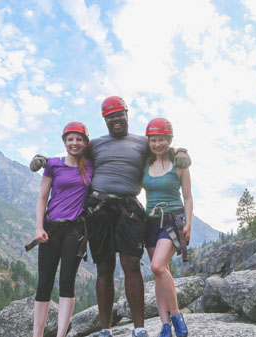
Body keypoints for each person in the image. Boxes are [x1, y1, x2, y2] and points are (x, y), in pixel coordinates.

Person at [31, 96, 191, 337]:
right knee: (104, 266)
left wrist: (181, 152)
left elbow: (162, 146)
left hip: (129, 209)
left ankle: (139, 328)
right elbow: (71, 152)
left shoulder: (141, 142)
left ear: (127, 114)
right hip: (99, 209)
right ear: (104, 119)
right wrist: (45, 160)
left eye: (119, 114)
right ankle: (105, 329)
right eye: (110, 116)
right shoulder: (95, 144)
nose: (116, 119)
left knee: (130, 266)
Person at [32, 122, 93, 337]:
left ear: (85, 142)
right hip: (51, 228)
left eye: (79, 139)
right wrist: (39, 227)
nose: (74, 143)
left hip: (75, 231)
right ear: (64, 141)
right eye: (70, 139)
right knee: (44, 282)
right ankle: (36, 334)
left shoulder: (91, 166)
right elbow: (42, 197)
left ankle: (61, 335)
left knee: (67, 282)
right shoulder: (53, 165)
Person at [142, 118, 191, 337]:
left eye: (161, 139)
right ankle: (164, 326)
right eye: (153, 140)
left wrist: (188, 221)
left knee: (157, 267)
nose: (157, 144)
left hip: (173, 219)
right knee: (162, 273)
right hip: (150, 221)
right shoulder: (144, 163)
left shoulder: (179, 163)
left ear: (169, 139)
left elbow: (188, 196)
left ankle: (176, 315)